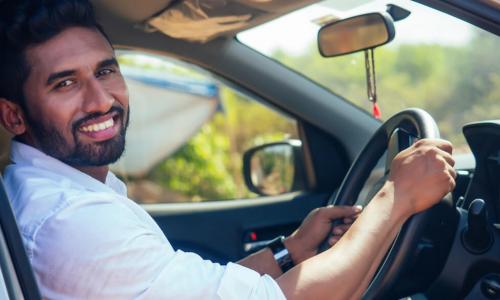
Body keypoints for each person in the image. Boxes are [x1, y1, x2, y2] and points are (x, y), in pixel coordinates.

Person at [0, 0, 456, 299]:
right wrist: (396, 198)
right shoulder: (71, 220)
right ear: (14, 116)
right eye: (65, 84)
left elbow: (203, 289)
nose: (100, 101)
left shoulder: (50, 192)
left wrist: (293, 249)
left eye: (105, 72)